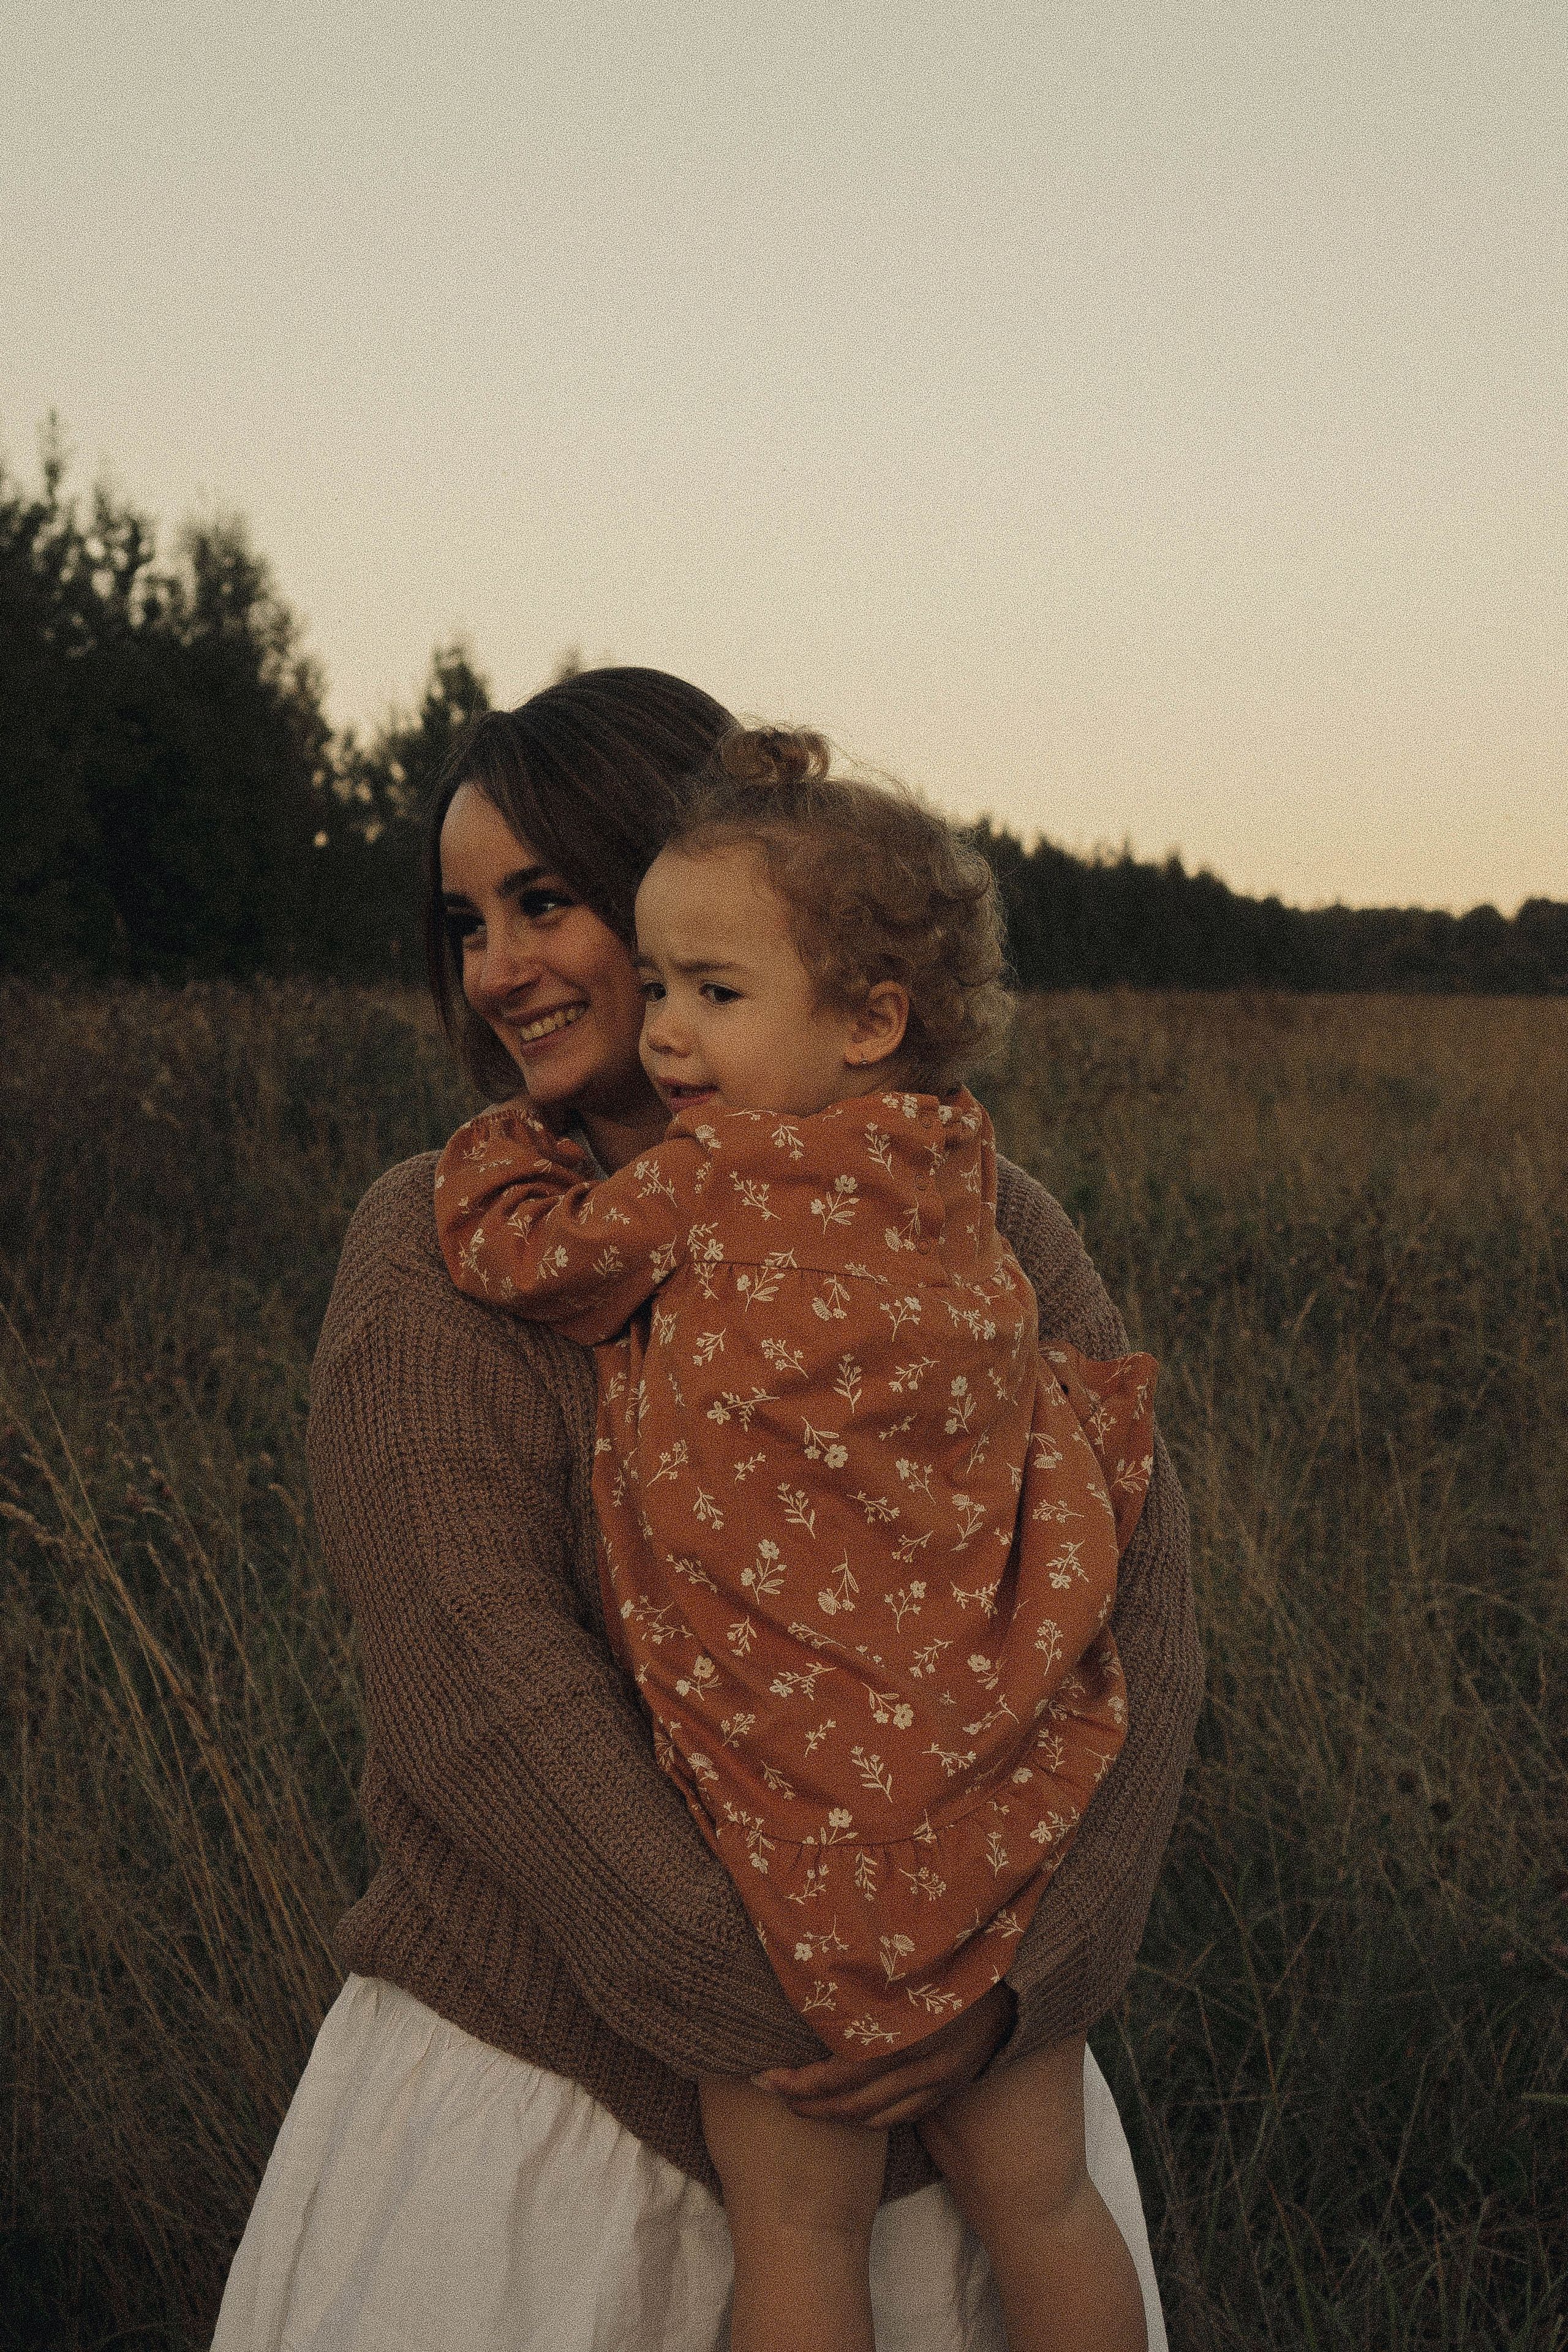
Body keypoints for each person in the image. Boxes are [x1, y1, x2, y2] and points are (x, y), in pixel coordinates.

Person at [211, 668, 1202, 2352]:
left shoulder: (980, 1202)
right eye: (465, 924)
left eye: (544, 901)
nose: (501, 966)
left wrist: (1016, 1990)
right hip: (555, 2118)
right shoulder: (441, 1248)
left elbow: (1137, 1601)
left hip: (966, 2064)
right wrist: (802, 2020)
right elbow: (480, 1686)